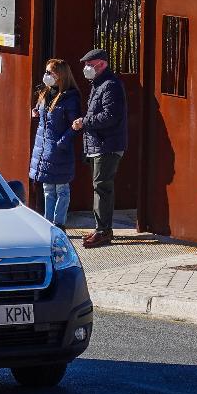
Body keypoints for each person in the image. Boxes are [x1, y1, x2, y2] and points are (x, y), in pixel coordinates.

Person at [70, 48, 127, 248]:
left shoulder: (110, 85)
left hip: (107, 145)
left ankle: (103, 231)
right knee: (99, 187)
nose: (86, 68)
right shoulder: (98, 84)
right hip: (99, 144)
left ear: (101, 64)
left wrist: (84, 122)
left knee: (102, 187)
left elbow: (110, 116)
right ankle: (101, 228)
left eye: (89, 65)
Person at [29, 59, 82, 229]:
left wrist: (61, 143)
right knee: (47, 189)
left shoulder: (70, 98)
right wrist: (36, 111)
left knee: (62, 190)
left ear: (60, 75)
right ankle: (48, 222)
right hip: (44, 149)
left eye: (50, 72)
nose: (47, 76)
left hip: (59, 150)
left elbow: (75, 125)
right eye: (46, 72)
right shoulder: (45, 93)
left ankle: (59, 223)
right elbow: (42, 113)